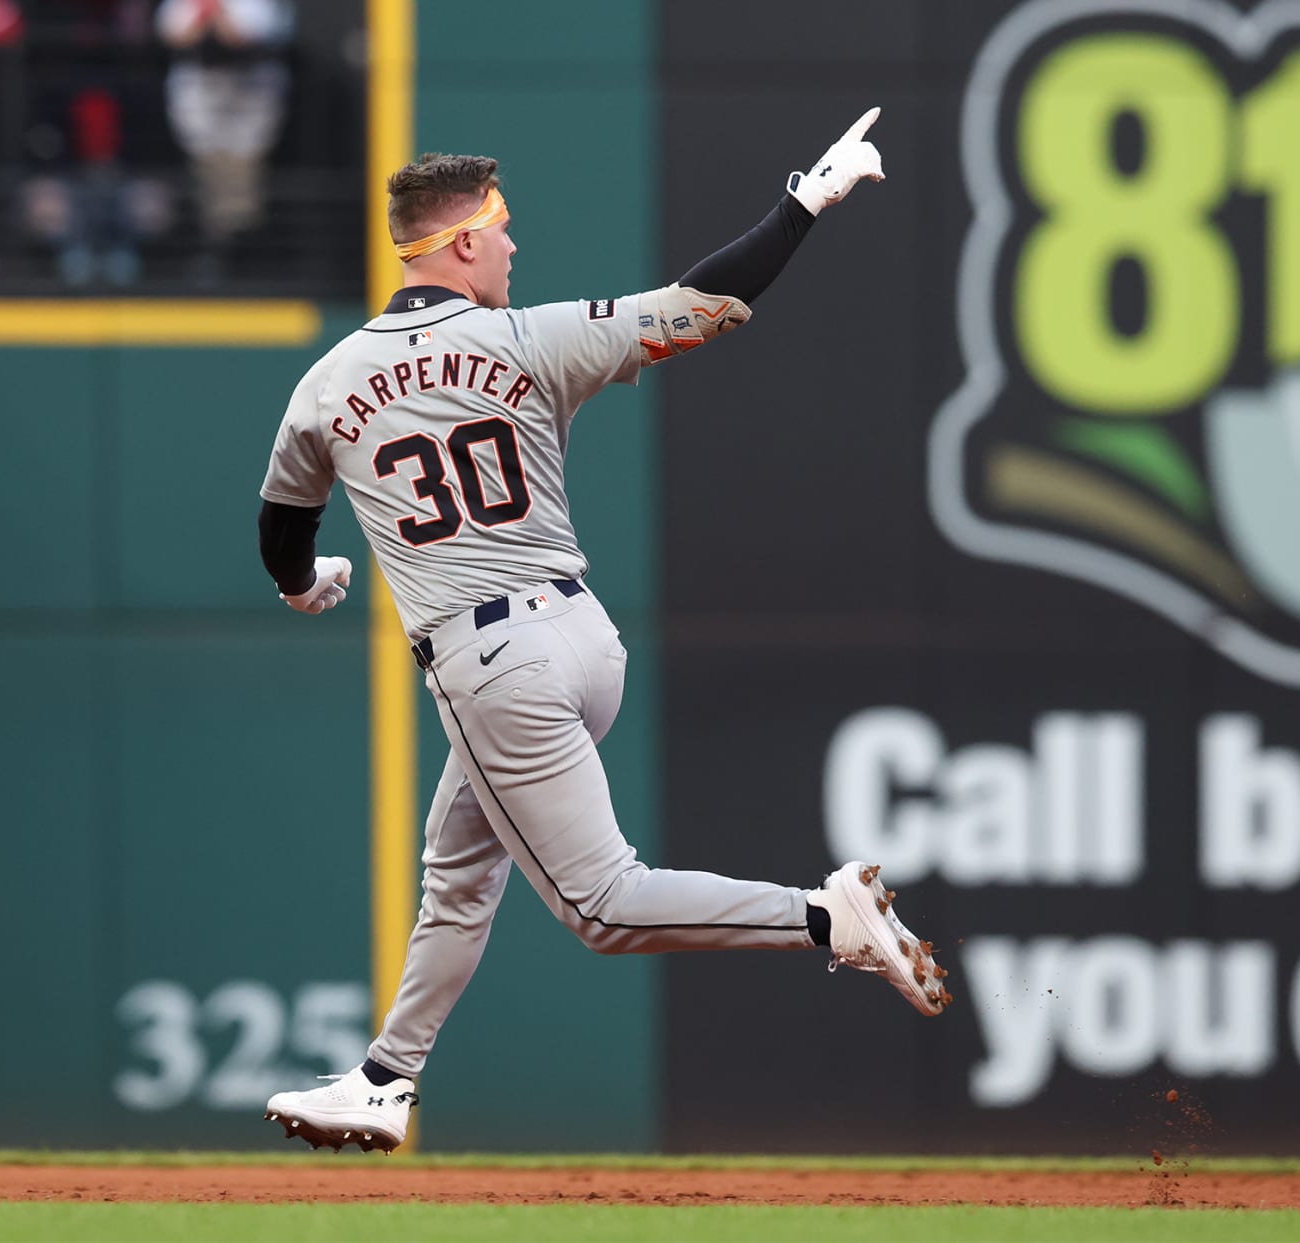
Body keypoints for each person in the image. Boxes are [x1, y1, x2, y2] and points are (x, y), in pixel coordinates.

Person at [252, 112, 947, 1153]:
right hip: (581, 640)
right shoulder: (531, 336)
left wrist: (309, 587)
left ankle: (826, 915)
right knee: (458, 866)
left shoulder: (327, 383)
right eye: (505, 228)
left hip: (492, 666)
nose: (517, 245)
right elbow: (706, 303)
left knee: (602, 906)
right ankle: (386, 1079)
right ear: (465, 243)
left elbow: (281, 529)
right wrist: (804, 202)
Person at [154, 0, 292, 280]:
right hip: (201, 95)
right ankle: (216, 255)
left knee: (243, 185)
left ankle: (245, 260)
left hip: (250, 96)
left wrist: (215, 13)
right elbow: (173, 35)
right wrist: (206, 16)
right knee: (208, 182)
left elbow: (239, 38)